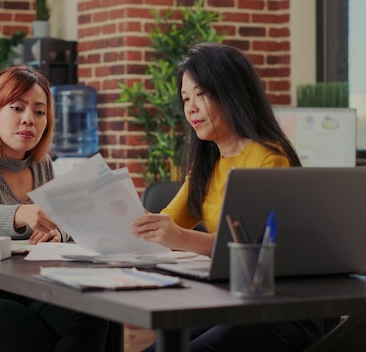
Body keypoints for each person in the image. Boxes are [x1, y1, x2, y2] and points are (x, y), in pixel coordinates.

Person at [131, 43, 324, 351]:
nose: (191, 108)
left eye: (201, 94)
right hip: (231, 302)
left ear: (231, 93)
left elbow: (256, 254)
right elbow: (166, 222)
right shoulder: (208, 163)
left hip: (282, 308)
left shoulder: (268, 158)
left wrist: (182, 238)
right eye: (185, 98)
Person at [0, 64, 109, 351]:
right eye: (17, 108)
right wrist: (21, 213)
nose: (29, 119)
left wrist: (57, 234)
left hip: (30, 286)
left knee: (95, 314)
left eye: (39, 112)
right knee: (30, 332)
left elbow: (60, 220)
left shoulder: (42, 165)